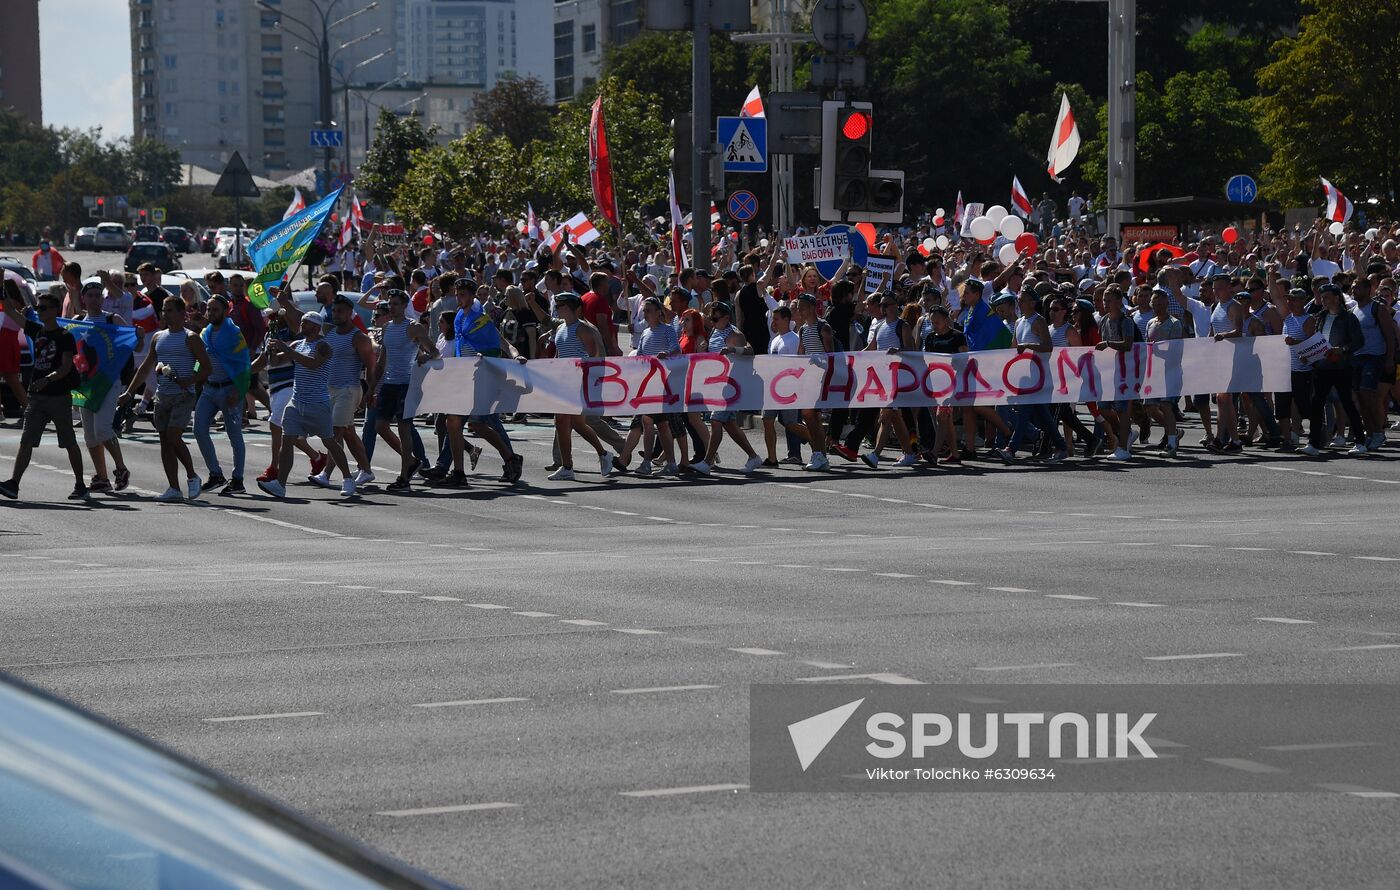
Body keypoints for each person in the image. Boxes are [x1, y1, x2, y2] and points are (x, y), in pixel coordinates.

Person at [257, 312, 357, 499]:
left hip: (318, 404)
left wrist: (286, 350)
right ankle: (280, 484)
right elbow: (276, 361)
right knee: (287, 441)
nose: (303, 325)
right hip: (296, 403)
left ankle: (347, 478)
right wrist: (270, 349)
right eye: (303, 322)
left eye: (307, 323)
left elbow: (313, 364)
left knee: (329, 441)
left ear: (317, 327)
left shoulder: (323, 346)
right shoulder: (297, 344)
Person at [120, 295, 210, 501]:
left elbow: (206, 367)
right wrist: (130, 392)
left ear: (181, 313)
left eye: (170, 310)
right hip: (163, 395)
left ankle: (192, 475)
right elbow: (146, 367)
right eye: (163, 310)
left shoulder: (191, 337)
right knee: (164, 441)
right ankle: (173, 488)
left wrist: (189, 380)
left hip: (183, 395)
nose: (165, 314)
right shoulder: (158, 337)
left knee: (173, 436)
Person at [0, 292, 88, 501]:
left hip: (58, 397)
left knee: (69, 442)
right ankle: (13, 484)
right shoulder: (36, 330)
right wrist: (3, 289)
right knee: (26, 441)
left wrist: (48, 379)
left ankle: (80, 484)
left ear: (54, 310)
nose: (39, 311)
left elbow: (66, 367)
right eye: (38, 307)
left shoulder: (64, 336)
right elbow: (11, 311)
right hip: (37, 397)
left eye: (43, 308)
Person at [372, 289, 438, 491]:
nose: (391, 307)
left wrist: (425, 357)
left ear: (404, 306)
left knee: (404, 428)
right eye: (389, 304)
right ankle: (410, 460)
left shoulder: (414, 327)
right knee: (380, 426)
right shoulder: (386, 328)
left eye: (395, 304)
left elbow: (434, 351)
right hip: (390, 383)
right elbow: (382, 361)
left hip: (407, 383)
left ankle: (404, 478)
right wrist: (372, 388)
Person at [545, 293, 616, 481]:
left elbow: (594, 356)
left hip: (577, 382)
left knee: (561, 420)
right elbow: (559, 355)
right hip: (563, 381)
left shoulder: (582, 329)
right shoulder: (560, 328)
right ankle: (603, 454)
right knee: (575, 424)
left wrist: (580, 370)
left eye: (563, 306)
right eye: (558, 305)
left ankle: (567, 466)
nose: (559, 309)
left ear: (575, 309)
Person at [309, 295, 377, 491]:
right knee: (348, 433)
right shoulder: (329, 332)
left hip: (349, 390)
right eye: (334, 311)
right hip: (329, 389)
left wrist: (371, 391)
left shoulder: (359, 337)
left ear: (350, 313)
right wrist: (285, 302)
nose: (336, 314)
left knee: (335, 431)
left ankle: (326, 474)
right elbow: (303, 319)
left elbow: (371, 366)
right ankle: (366, 470)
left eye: (340, 311)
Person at [690, 302, 764, 477]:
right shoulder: (716, 331)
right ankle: (753, 456)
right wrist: (705, 349)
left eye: (715, 317)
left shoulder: (734, 334)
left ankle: (707, 462)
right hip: (718, 384)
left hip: (731, 385)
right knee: (729, 424)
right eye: (711, 317)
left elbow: (750, 350)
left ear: (726, 317)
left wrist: (732, 349)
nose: (712, 320)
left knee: (716, 420)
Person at [76, 281, 131, 492]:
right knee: (90, 434)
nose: (94, 299)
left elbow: (133, 342)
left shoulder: (112, 319)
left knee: (102, 429)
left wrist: (140, 335)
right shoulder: (78, 321)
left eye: (98, 295)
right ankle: (102, 477)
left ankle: (121, 469)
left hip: (108, 381)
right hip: (86, 383)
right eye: (90, 295)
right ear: (84, 298)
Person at [192, 295, 249, 495]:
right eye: (209, 309)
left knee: (234, 435)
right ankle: (215, 474)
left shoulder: (234, 333)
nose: (211, 312)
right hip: (209, 389)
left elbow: (243, 364)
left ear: (225, 311)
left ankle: (238, 480)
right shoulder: (205, 333)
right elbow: (200, 358)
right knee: (198, 429)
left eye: (215, 309)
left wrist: (237, 390)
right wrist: (195, 374)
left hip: (229, 389)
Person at [794, 293, 834, 471]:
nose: (799, 310)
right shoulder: (802, 329)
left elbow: (831, 356)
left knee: (808, 414)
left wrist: (818, 362)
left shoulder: (824, 327)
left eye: (801, 307)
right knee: (812, 417)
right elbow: (800, 355)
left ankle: (818, 453)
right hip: (808, 379)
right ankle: (820, 455)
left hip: (821, 379)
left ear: (811, 308)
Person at [1144, 289, 1184, 457]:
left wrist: (1158, 351)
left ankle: (1172, 443)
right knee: (1150, 407)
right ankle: (1173, 430)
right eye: (1155, 303)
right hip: (1154, 372)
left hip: (1171, 370)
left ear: (1167, 304)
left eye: (1161, 304)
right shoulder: (1150, 323)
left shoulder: (1174, 323)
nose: (1158, 307)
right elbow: (1146, 345)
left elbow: (1176, 351)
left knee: (1166, 405)